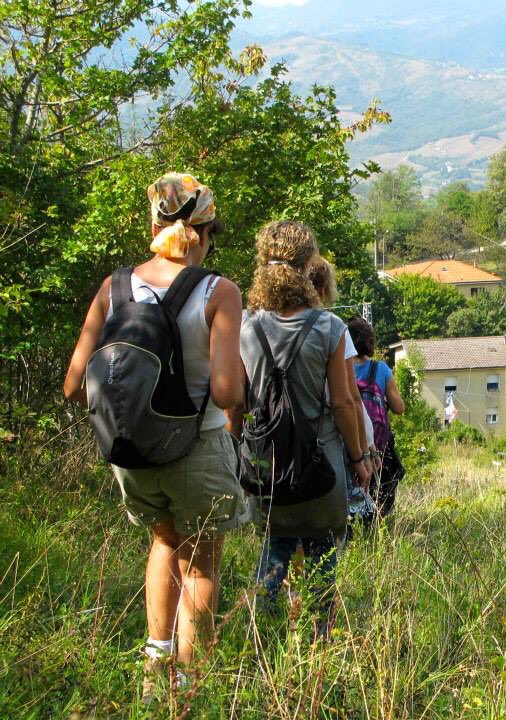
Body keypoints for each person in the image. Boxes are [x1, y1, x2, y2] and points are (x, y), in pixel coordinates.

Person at [63, 173, 247, 700]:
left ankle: (154, 668)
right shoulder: (218, 291)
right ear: (205, 233)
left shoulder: (114, 287)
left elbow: (74, 385)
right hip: (198, 445)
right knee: (202, 559)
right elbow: (227, 392)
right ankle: (187, 685)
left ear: (153, 226)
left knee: (164, 541)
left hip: (131, 451)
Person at [234, 221, 370, 632]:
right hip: (320, 463)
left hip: (266, 464)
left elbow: (237, 401)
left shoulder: (246, 326)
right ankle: (319, 637)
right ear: (309, 265)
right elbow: (344, 402)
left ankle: (261, 634)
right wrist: (359, 458)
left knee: (276, 542)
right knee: (323, 548)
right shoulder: (329, 328)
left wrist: (235, 458)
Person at [347, 315, 405, 517]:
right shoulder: (381, 369)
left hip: (349, 444)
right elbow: (399, 408)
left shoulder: (341, 369)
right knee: (383, 488)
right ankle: (378, 522)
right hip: (379, 446)